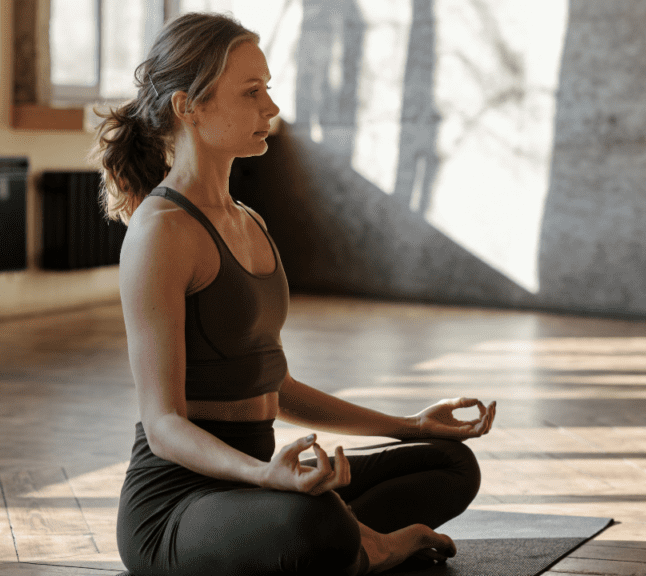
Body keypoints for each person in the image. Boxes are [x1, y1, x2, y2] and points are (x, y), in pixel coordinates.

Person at [92, 12, 496, 576]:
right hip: (178, 508)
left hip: (260, 487)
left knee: (451, 464)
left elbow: (273, 388)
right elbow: (162, 425)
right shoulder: (162, 232)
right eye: (251, 92)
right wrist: (264, 477)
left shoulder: (248, 220)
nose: (272, 108)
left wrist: (412, 425)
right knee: (315, 526)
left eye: (268, 89)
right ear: (189, 107)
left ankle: (350, 540)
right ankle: (364, 544)